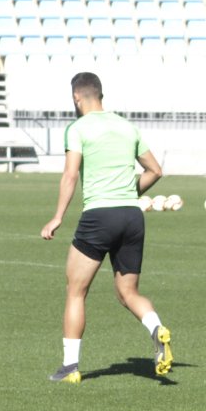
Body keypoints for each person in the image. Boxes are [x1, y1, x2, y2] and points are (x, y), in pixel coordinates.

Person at [40, 72, 171, 384]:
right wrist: (128, 193)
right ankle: (156, 328)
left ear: (76, 97)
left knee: (76, 290)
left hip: (99, 216)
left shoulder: (78, 128)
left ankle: (70, 368)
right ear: (101, 94)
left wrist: (57, 216)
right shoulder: (127, 126)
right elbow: (155, 170)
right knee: (128, 292)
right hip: (132, 215)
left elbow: (70, 175)